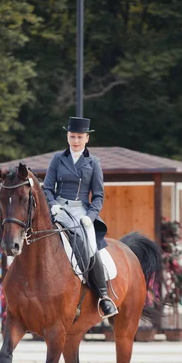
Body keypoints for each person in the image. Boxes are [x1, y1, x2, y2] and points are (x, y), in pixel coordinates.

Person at [43, 116, 118, 318]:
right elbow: (47, 188)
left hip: (81, 211)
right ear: (67, 137)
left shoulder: (93, 163)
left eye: (79, 137)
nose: (75, 141)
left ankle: (103, 296)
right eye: (72, 136)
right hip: (58, 208)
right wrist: (53, 205)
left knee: (91, 246)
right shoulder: (57, 159)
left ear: (87, 139)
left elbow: (99, 195)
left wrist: (91, 216)